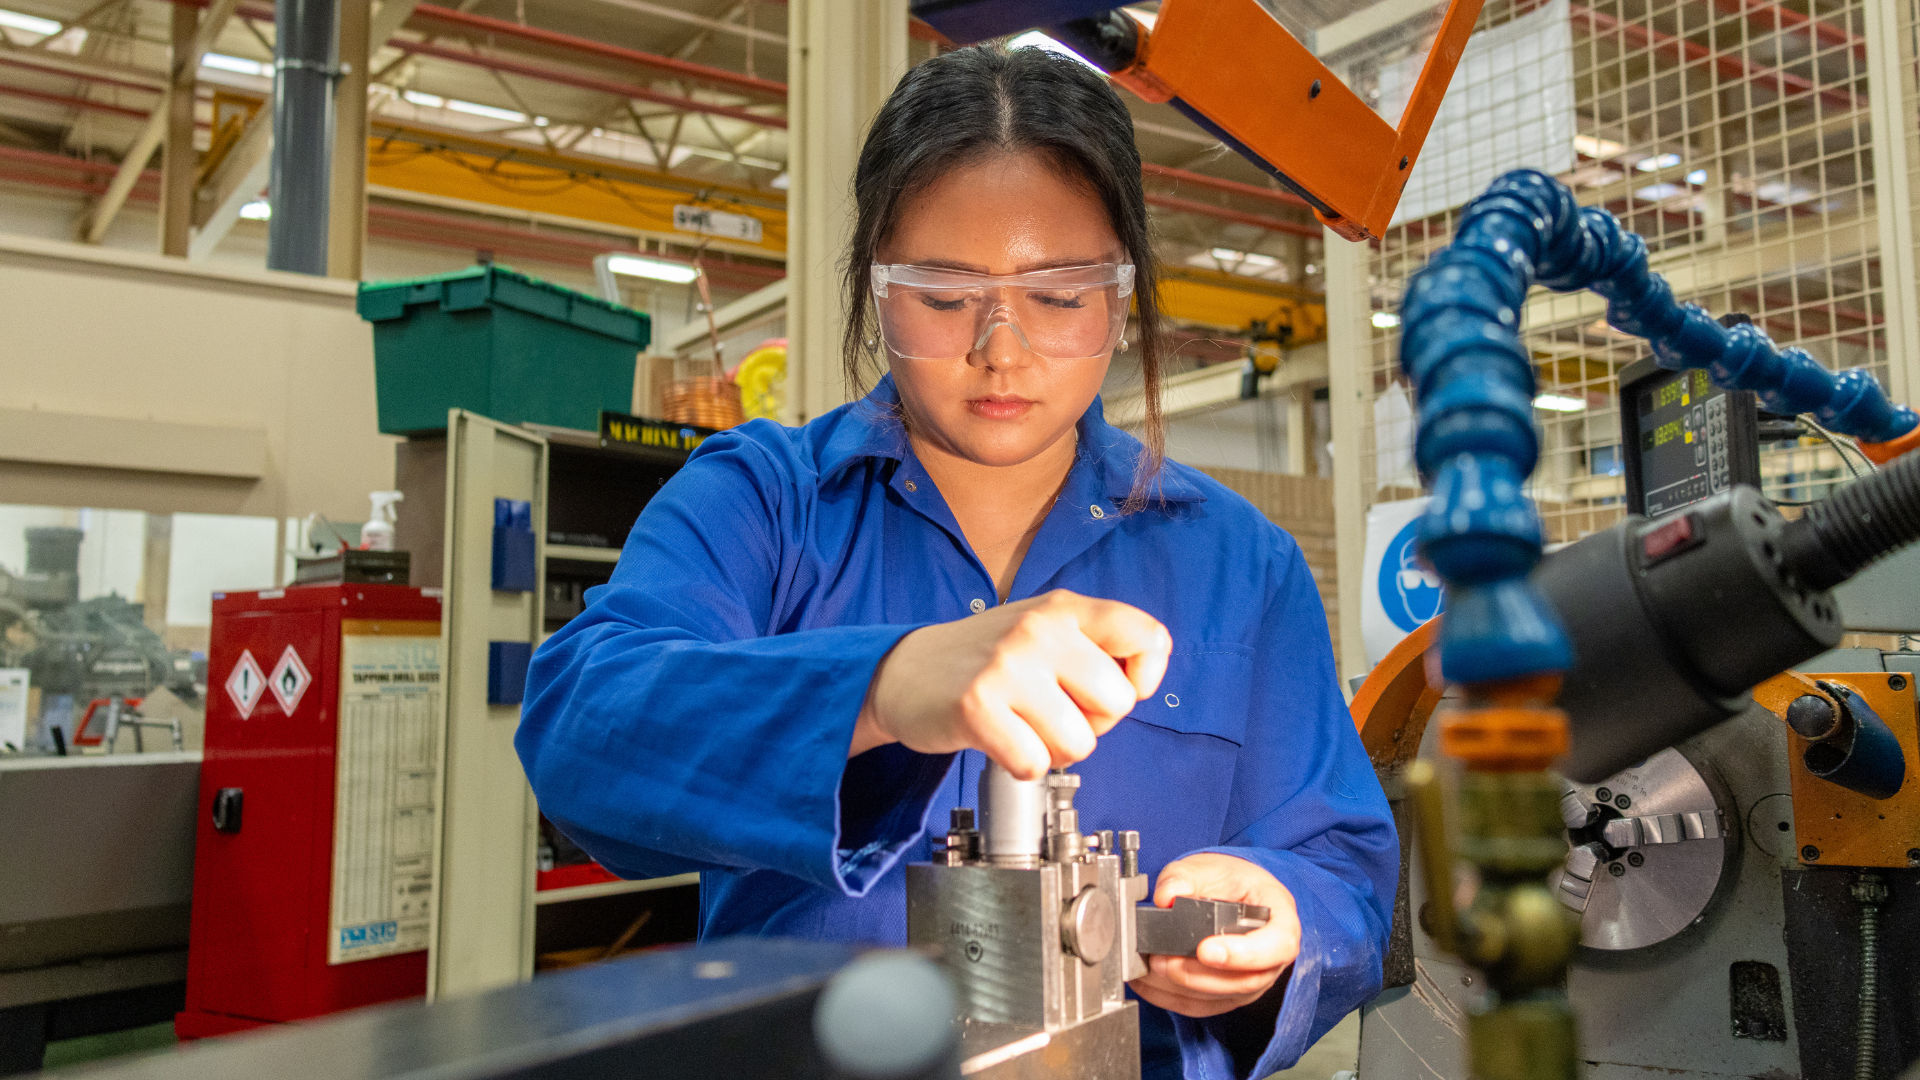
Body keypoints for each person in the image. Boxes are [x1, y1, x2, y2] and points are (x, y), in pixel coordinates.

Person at [518, 44, 1396, 1080]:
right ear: (875, 287)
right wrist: (879, 688)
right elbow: (581, 725)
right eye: (943, 293)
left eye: (1059, 295)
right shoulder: (763, 501)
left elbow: (1341, 862)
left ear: (1122, 299)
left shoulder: (1240, 565)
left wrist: (1282, 912)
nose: (1002, 348)